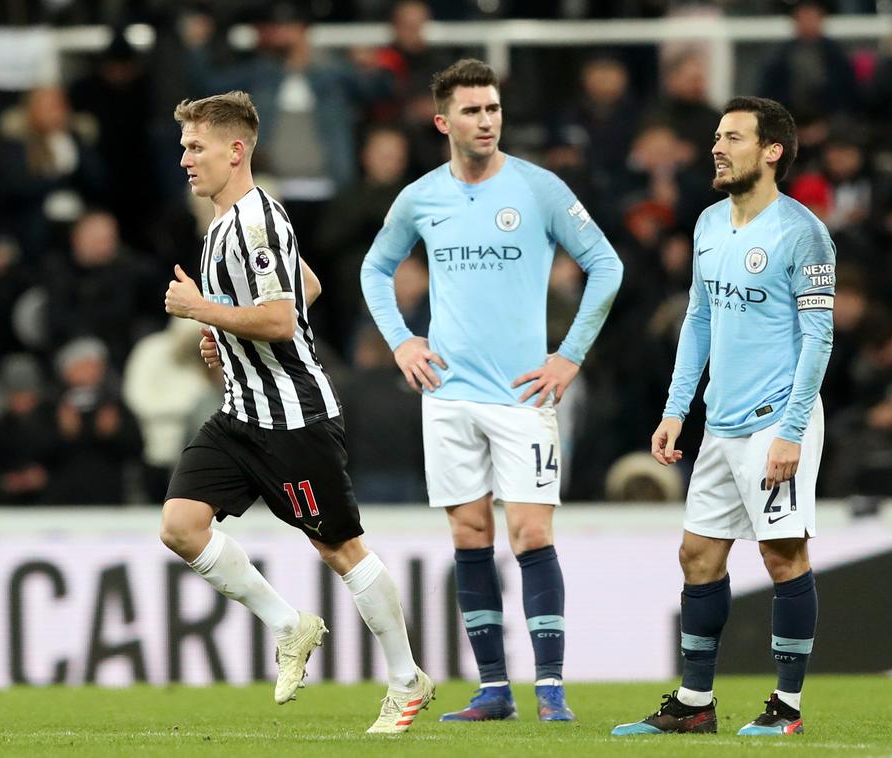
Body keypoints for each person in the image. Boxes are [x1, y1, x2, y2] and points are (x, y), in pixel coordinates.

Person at [158, 91, 434, 735]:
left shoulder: (255, 223)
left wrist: (205, 312)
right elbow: (303, 288)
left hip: (293, 419)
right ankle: (289, 625)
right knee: (180, 525)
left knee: (339, 548)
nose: (185, 160)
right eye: (182, 148)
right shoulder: (226, 225)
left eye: (195, 148)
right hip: (239, 415)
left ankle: (405, 678)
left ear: (236, 150)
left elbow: (282, 319)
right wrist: (225, 333)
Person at [360, 59, 624, 723]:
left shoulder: (537, 189)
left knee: (531, 534)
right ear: (443, 121)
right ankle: (495, 690)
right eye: (473, 111)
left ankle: (553, 691)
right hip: (447, 395)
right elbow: (375, 267)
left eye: (493, 109)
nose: (487, 121)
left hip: (523, 395)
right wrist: (401, 340)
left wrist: (569, 356)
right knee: (470, 535)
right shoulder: (422, 196)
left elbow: (606, 264)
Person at [612, 96, 835, 738]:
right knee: (697, 556)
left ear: (771, 152)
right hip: (721, 423)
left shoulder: (803, 233)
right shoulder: (709, 222)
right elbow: (699, 320)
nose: (717, 146)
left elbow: (818, 339)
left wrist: (792, 432)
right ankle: (694, 704)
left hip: (776, 420)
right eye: (716, 135)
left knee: (782, 556)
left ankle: (786, 710)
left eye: (732, 137)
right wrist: (676, 410)